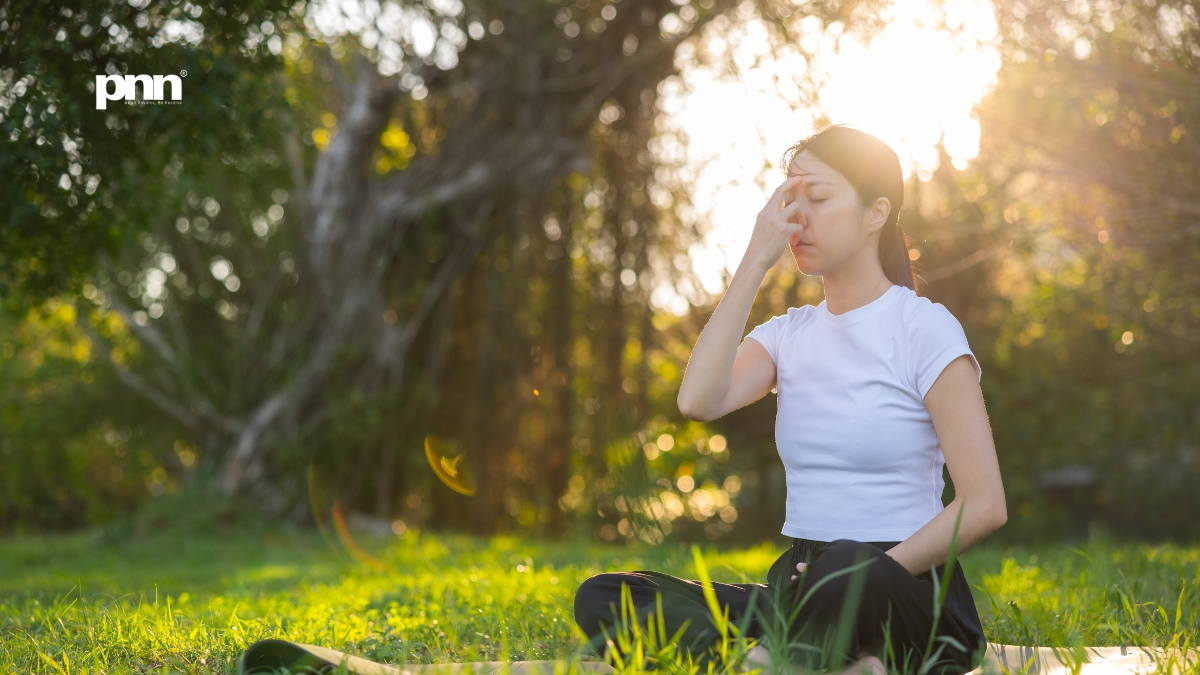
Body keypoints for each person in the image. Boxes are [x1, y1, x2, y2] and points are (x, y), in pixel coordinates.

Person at [572, 125, 1007, 675]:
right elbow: (699, 400)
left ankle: (779, 659)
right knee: (606, 595)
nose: (797, 218)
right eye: (789, 199)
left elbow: (984, 504)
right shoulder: (787, 334)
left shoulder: (924, 328)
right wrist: (755, 260)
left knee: (845, 568)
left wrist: (856, 576)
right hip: (802, 584)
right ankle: (812, 663)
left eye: (817, 198)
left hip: (905, 587)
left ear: (876, 213)